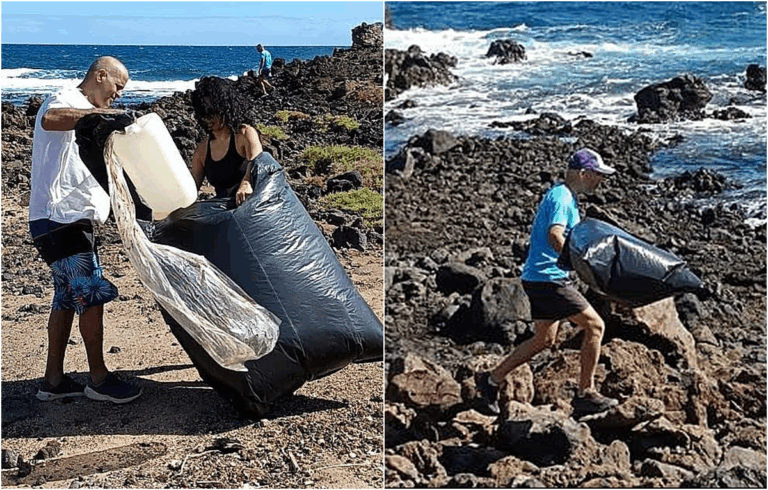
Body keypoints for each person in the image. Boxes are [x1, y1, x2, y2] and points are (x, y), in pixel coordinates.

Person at [29, 56, 142, 404]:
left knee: (64, 298)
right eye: (116, 87)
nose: (117, 96)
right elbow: (50, 120)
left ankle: (53, 381)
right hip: (58, 219)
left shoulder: (87, 110)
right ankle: (99, 378)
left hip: (68, 220)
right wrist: (101, 116)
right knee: (91, 295)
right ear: (100, 75)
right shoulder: (66, 98)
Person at [475, 148, 619, 416]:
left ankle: (490, 380)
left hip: (539, 277)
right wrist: (578, 264)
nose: (601, 180)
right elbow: (555, 235)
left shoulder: (564, 195)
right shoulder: (562, 198)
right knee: (595, 326)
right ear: (584, 173)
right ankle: (585, 393)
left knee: (544, 339)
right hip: (548, 278)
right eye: (598, 175)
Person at [189, 76, 264, 205]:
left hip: (253, 208)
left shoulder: (244, 134)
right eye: (202, 114)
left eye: (211, 113)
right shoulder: (202, 150)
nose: (207, 119)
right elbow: (190, 189)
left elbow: (259, 163)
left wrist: (247, 182)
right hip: (225, 213)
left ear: (224, 108)